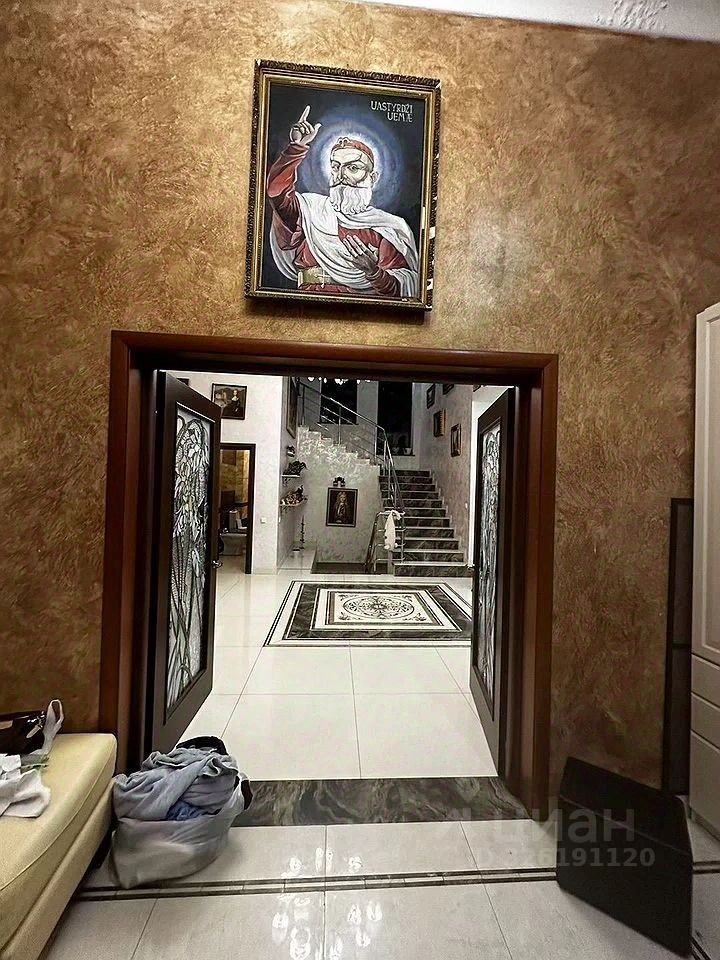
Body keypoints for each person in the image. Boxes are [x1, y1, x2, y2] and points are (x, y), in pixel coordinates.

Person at [266, 106, 419, 299]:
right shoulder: (310, 210)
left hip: (361, 311)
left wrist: (374, 272)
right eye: (336, 167)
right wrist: (296, 147)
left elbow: (402, 290)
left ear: (372, 178)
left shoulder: (389, 228)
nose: (341, 175)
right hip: (308, 304)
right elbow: (276, 191)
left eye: (353, 167)